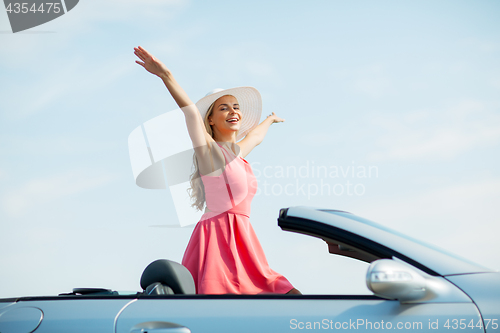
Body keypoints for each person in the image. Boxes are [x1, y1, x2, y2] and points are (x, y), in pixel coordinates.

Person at [134, 46, 301, 295]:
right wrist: (166, 75)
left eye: (235, 106)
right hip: (218, 240)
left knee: (286, 294)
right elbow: (190, 112)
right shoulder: (210, 153)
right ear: (210, 120)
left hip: (243, 241)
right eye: (223, 108)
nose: (233, 111)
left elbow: (255, 137)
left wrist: (270, 119)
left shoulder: (238, 154)